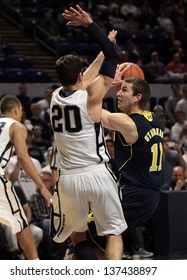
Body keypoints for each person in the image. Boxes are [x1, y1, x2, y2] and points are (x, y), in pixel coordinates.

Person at [50, 4, 127, 260]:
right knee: (114, 232)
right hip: (96, 173)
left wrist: (100, 56)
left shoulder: (55, 97)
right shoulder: (90, 98)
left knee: (78, 235)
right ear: (81, 75)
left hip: (68, 180)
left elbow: (86, 75)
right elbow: (114, 55)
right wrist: (92, 26)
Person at [0, 94, 53, 260]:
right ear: (16, 110)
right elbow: (22, 156)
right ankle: (35, 267)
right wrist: (42, 187)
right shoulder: (16, 125)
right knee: (20, 223)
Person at [99, 74, 164, 258]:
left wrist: (104, 84)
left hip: (137, 192)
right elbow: (141, 89)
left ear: (137, 97)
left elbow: (94, 110)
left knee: (100, 230)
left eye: (124, 90)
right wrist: (124, 88)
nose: (118, 93)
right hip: (149, 193)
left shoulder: (129, 124)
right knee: (100, 232)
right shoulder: (153, 117)